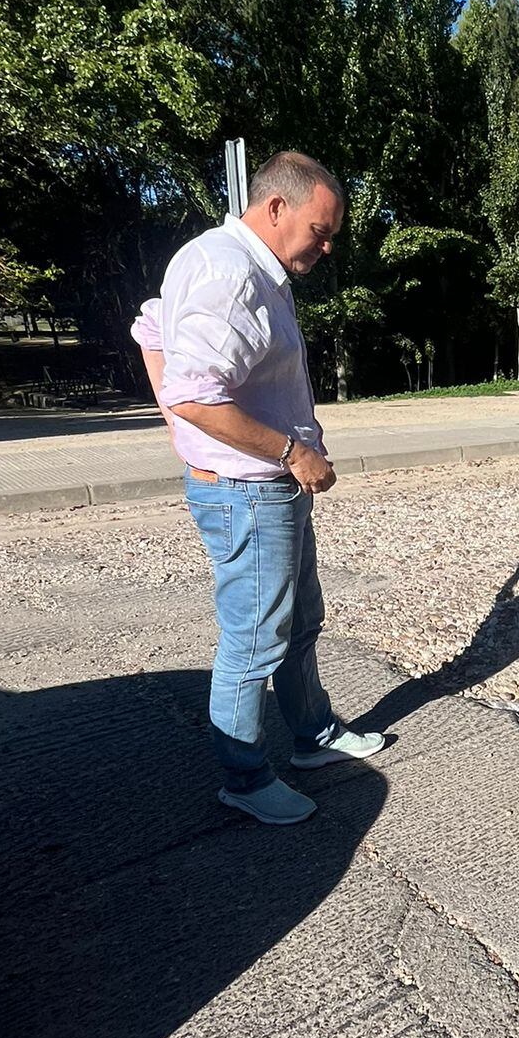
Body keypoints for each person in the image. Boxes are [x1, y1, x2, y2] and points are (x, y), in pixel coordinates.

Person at [133, 151, 382, 825]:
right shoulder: (231, 274)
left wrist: (187, 432)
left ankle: (314, 737)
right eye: (320, 232)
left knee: (300, 622)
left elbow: (151, 326)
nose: (327, 247)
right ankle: (244, 778)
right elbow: (194, 394)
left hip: (260, 487)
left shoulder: (233, 263)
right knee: (254, 639)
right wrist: (291, 451)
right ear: (276, 207)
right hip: (249, 490)